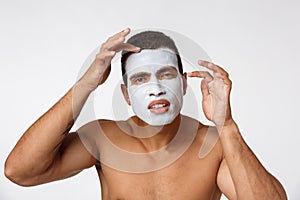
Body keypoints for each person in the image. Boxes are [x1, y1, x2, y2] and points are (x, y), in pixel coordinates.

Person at [5, 28, 287, 200]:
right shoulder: (103, 138)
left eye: (166, 75)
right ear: (126, 94)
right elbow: (20, 172)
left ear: (185, 83)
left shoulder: (213, 146)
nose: (156, 89)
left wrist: (226, 125)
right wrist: (86, 85)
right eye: (140, 79)